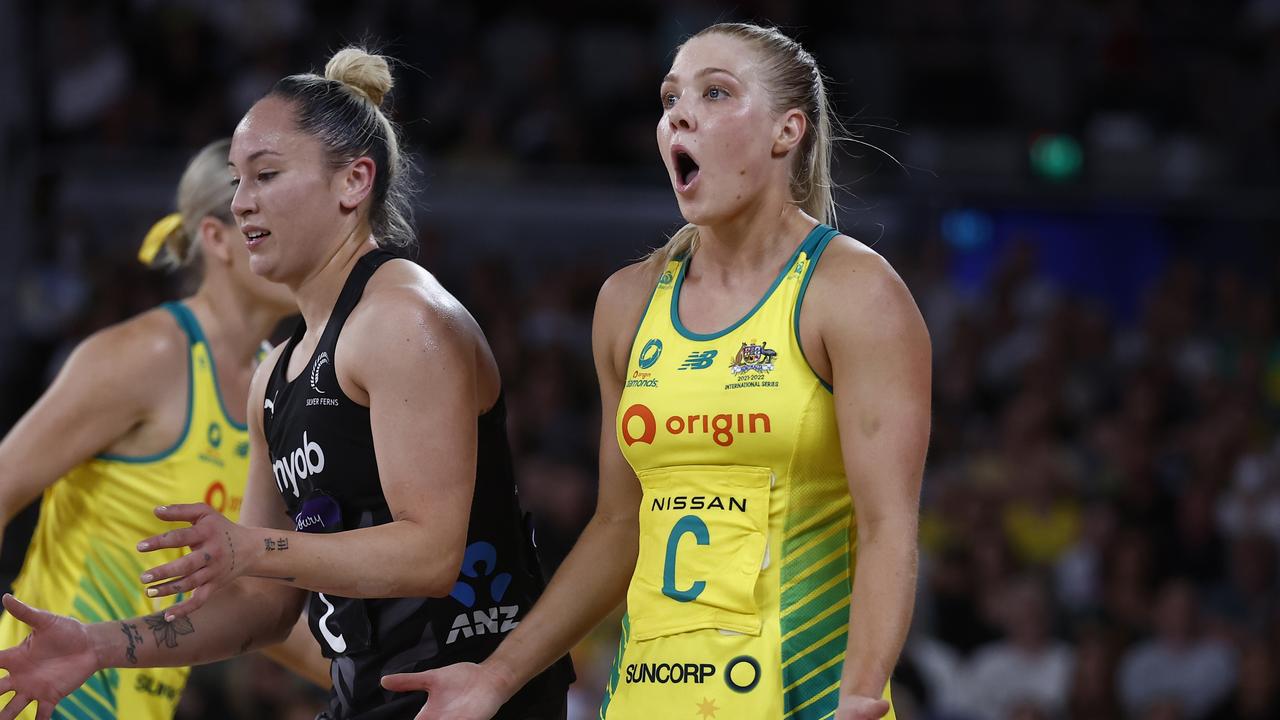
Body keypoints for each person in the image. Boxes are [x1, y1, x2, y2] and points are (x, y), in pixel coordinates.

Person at [0, 48, 570, 720]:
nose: (243, 203)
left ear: (354, 182)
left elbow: (432, 552)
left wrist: (252, 548)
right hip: (367, 694)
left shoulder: (402, 320)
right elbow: (261, 609)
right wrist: (97, 646)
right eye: (238, 181)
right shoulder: (276, 373)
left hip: (465, 699)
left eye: (266, 176)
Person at [382, 21, 931, 720]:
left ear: (786, 132)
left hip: (801, 697)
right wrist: (495, 677)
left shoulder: (855, 291)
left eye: (716, 92)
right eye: (671, 98)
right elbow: (619, 524)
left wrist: (860, 693)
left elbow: (888, 527)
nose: (680, 113)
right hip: (649, 695)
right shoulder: (628, 301)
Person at [0, 138, 328, 720]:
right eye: (277, 225)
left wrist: (393, 683)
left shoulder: (274, 384)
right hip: (37, 702)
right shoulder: (147, 355)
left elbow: (253, 608)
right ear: (217, 238)